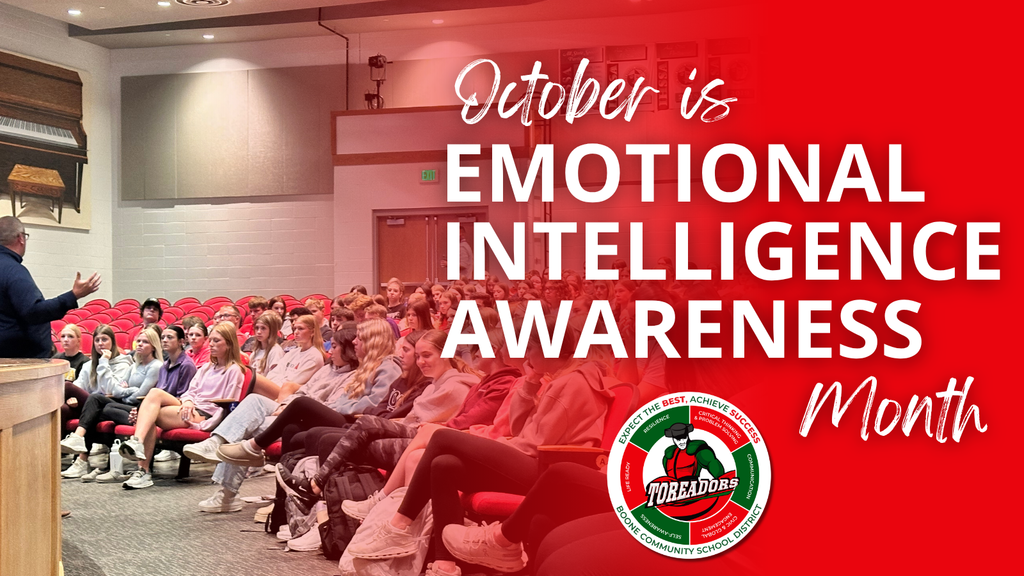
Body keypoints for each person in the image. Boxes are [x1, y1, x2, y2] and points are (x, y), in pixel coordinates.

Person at [345, 321, 613, 576]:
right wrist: (531, 382)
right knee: (444, 465)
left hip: (546, 470)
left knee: (442, 438)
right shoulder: (560, 379)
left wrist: (490, 446)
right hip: (536, 460)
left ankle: (399, 526)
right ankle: (445, 566)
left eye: (530, 348)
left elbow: (533, 443)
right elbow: (520, 427)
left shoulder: (571, 383)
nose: (526, 353)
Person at [181, 320, 399, 512]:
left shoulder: (370, 369)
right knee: (254, 404)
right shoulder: (333, 368)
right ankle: (221, 449)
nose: (330, 351)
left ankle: (234, 482)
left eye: (335, 346)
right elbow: (303, 391)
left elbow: (363, 405)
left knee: (264, 423)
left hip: (327, 418)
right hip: (299, 411)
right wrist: (285, 404)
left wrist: (299, 406)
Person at [118, 322, 246, 490]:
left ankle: (143, 469)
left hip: (205, 414)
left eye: (217, 341)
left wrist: (209, 422)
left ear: (229, 344)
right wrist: (187, 401)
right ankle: (138, 445)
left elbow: (230, 405)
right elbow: (190, 391)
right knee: (155, 393)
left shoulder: (234, 370)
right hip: (190, 407)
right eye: (211, 340)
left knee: (150, 414)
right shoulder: (207, 367)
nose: (212, 344)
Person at [59, 327, 164, 481]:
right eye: (139, 341)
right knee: (94, 404)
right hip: (116, 404)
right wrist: (127, 391)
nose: (140, 344)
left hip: (138, 409)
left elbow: (137, 394)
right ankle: (80, 450)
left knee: (92, 401)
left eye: (145, 342)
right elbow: (116, 390)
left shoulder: (150, 365)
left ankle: (79, 448)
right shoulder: (135, 366)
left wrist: (105, 365)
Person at [0, 216, 101, 358]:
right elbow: (33, 312)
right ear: (20, 238)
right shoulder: (14, 271)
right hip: (19, 362)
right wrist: (73, 295)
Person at [251, 314, 324, 400]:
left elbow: (293, 383)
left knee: (253, 379)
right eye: (294, 328)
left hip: (288, 394)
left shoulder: (314, 356)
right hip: (277, 387)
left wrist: (271, 385)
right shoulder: (293, 352)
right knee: (251, 391)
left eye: (300, 329)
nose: (296, 332)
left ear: (312, 332)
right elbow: (274, 372)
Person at [56, 324, 90, 431]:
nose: (66, 340)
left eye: (70, 336)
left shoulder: (85, 362)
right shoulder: (55, 360)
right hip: (60, 401)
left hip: (78, 403)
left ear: (78, 340)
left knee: (67, 386)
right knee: (61, 409)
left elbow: (84, 388)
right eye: (63, 336)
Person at [249, 311, 285, 377]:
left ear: (271, 330)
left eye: (263, 328)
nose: (259, 332)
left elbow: (274, 378)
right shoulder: (256, 351)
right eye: (257, 328)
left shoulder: (276, 351)